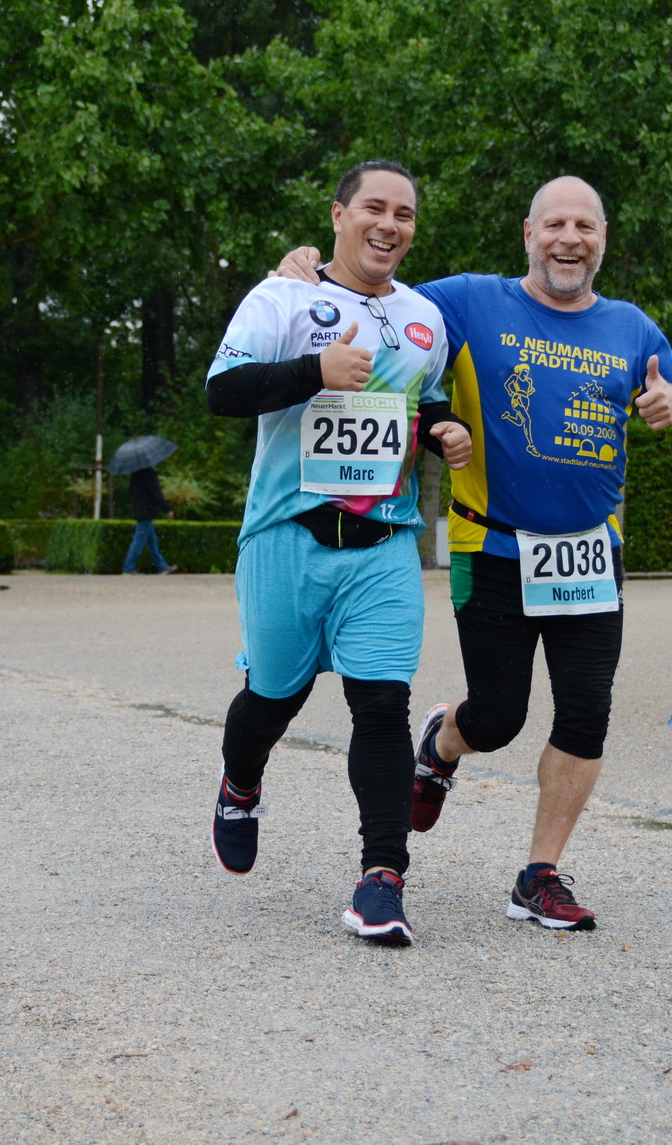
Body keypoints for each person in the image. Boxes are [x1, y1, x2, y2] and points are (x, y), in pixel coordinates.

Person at [278, 175, 672, 931]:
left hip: (589, 555)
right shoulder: (471, 300)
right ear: (528, 233)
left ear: (602, 240)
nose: (569, 239)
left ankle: (539, 876)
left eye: (585, 226)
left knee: (587, 714)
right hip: (492, 545)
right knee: (500, 716)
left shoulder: (632, 328)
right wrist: (305, 272)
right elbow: (375, 297)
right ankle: (444, 742)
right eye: (555, 224)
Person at [205, 159, 472, 946]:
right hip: (286, 534)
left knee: (383, 704)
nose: (389, 224)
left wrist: (443, 431)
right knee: (272, 699)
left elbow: (421, 402)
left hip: (384, 542)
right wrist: (313, 371)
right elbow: (222, 391)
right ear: (338, 215)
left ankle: (382, 878)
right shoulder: (283, 297)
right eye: (374, 208)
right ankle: (240, 784)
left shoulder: (423, 316)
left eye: (405, 213)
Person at [122, 465, 176, 574]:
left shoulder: (135, 473)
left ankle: (162, 566)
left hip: (140, 510)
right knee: (139, 541)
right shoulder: (149, 473)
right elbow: (156, 492)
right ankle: (128, 567)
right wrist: (167, 509)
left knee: (152, 541)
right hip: (147, 512)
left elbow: (131, 492)